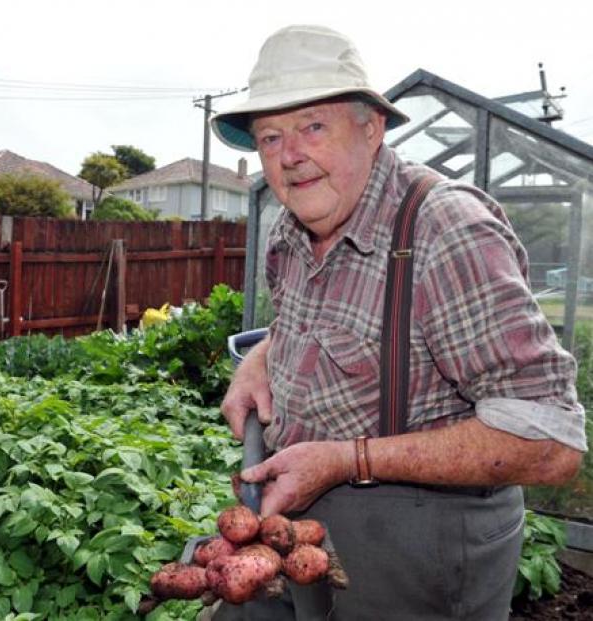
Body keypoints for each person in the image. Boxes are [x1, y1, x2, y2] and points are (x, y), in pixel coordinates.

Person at [207, 24, 588, 620]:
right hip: (300, 526)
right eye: (270, 136)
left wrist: (346, 459)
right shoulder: (290, 230)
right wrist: (261, 357)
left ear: (372, 126)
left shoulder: (444, 231)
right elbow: (307, 321)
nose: (289, 156)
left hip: (420, 548)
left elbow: (550, 444)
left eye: (312, 127)